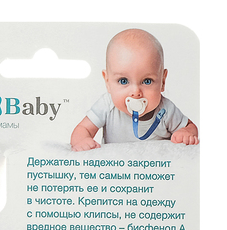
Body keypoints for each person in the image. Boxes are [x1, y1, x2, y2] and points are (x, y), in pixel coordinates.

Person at [71, 28, 199, 151]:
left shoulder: (166, 110)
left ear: (162, 81)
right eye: (123, 81)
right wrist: (82, 140)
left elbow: (190, 126)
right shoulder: (107, 105)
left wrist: (185, 133)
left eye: (147, 81)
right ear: (108, 82)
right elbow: (83, 129)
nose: (136, 92)